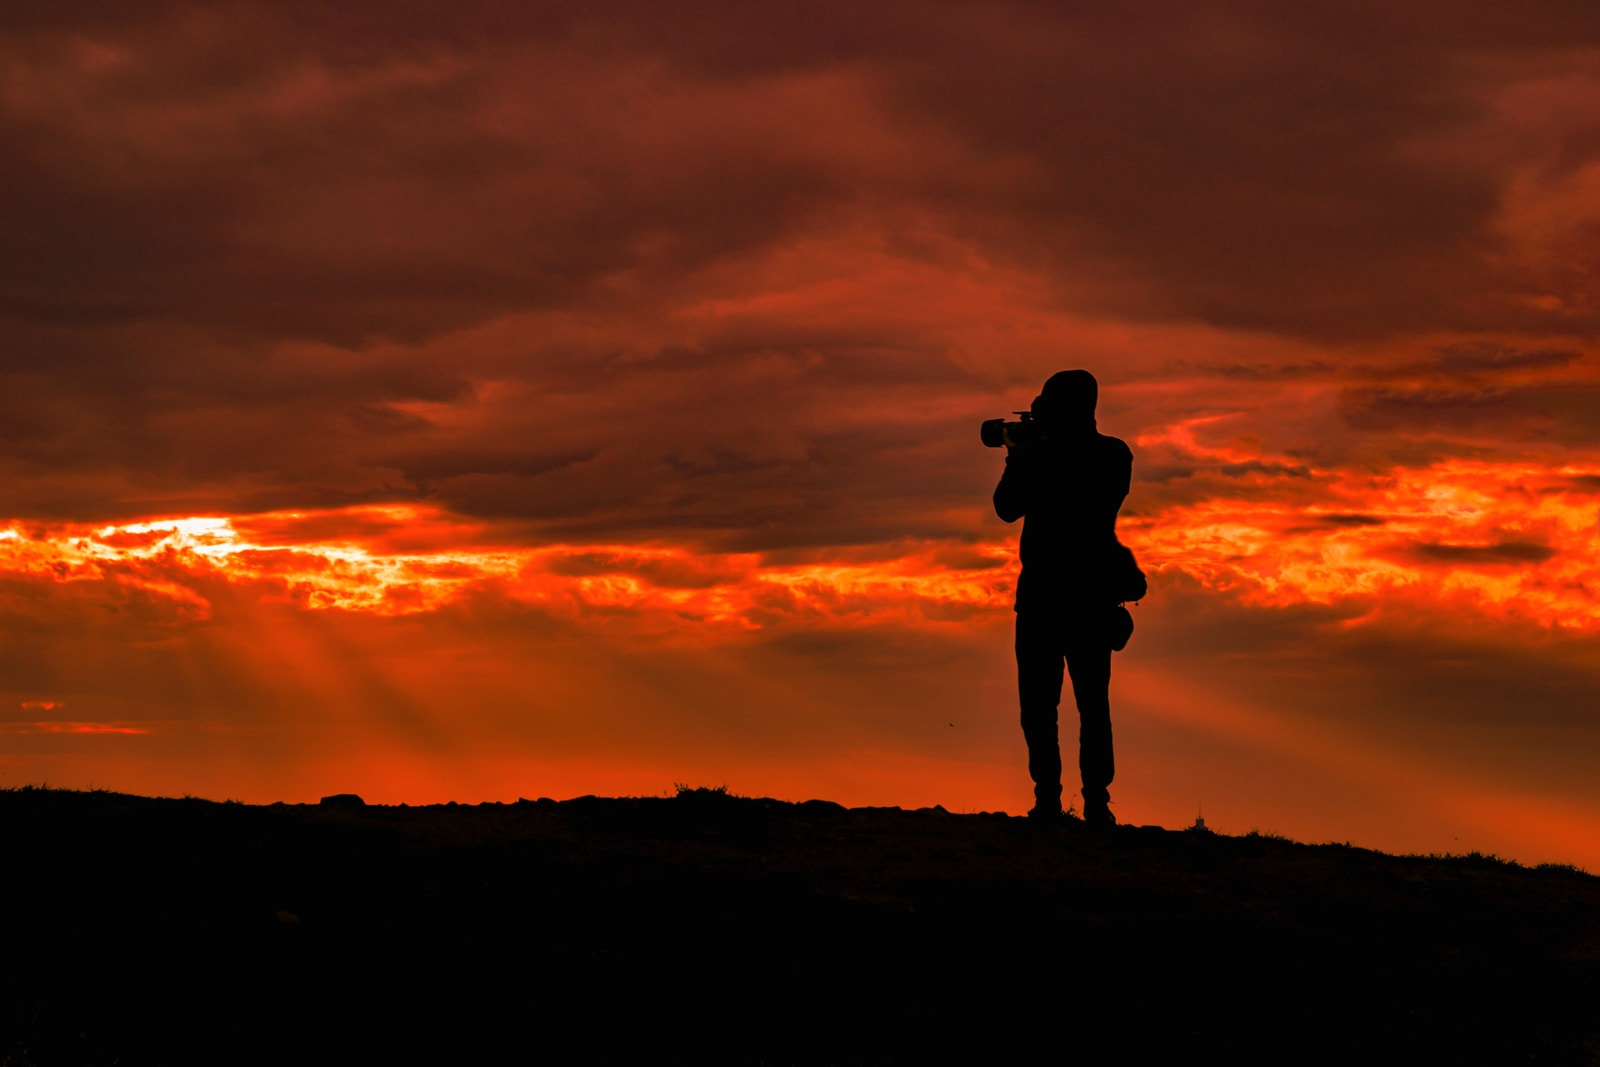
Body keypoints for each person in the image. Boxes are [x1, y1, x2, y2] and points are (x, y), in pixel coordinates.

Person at [992, 369, 1132, 826]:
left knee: (1043, 707)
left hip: (1044, 600)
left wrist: (1019, 455)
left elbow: (1006, 507)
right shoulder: (1113, 455)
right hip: (1088, 598)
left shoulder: (1048, 457)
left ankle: (1050, 801)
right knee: (1090, 706)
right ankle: (1093, 803)